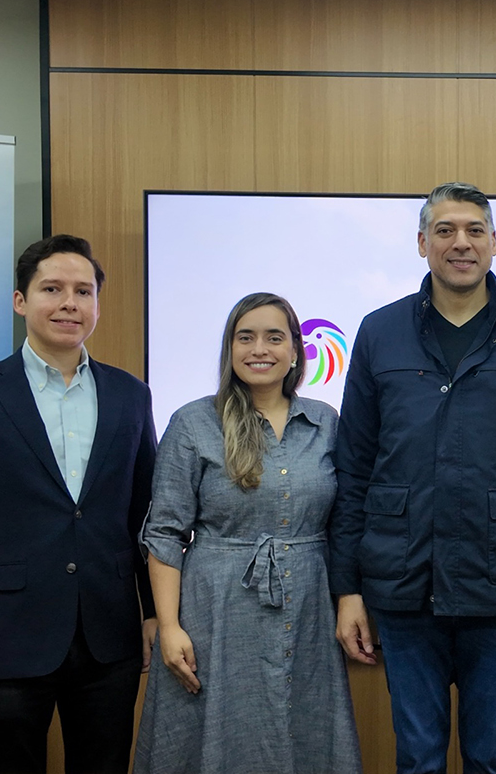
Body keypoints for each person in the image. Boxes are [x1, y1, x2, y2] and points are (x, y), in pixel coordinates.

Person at [329, 182, 496, 774]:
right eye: (444, 231)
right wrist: (347, 590)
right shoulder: (379, 331)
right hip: (402, 587)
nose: (461, 243)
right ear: (422, 243)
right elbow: (354, 469)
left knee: (491, 759)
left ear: (495, 242)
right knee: (417, 759)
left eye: (474, 230)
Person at [0, 234, 158, 774]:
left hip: (109, 637)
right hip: (3, 640)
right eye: (52, 289)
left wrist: (153, 612)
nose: (70, 303)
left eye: (83, 291)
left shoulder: (130, 395)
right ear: (20, 301)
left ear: (97, 305)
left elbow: (144, 517)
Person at [134, 292, 362, 774]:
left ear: (296, 350)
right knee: (219, 734)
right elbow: (165, 532)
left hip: (309, 610)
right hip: (214, 611)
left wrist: (349, 597)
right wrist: (169, 626)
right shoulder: (193, 422)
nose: (259, 349)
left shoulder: (325, 421)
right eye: (246, 337)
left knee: (304, 729)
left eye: (274, 337)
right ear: (230, 349)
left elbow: (345, 520)